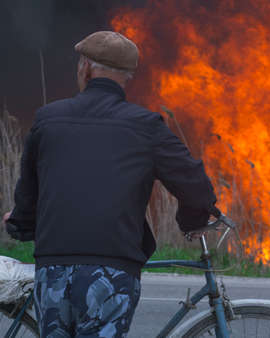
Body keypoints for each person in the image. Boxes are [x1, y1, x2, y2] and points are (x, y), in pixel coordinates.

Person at [2, 31, 218, 337]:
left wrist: (21, 226)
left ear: (86, 68)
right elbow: (194, 184)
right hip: (112, 269)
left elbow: (28, 191)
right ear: (126, 77)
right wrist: (192, 222)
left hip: (53, 267)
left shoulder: (48, 119)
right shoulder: (146, 127)